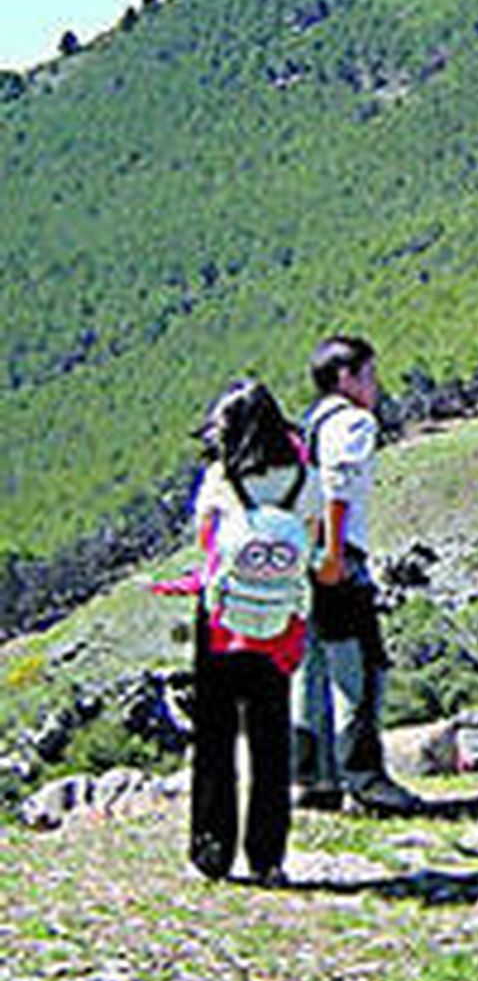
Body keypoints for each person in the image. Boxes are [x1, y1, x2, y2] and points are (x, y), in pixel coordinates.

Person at [189, 379, 320, 885]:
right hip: (280, 621)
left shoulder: (222, 478)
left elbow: (206, 539)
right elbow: (310, 542)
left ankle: (212, 848)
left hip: (223, 619)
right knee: (270, 736)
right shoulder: (301, 478)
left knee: (216, 734)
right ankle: (267, 855)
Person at [291, 335, 421, 815]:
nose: (376, 386)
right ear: (345, 377)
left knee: (312, 669)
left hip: (301, 558)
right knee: (361, 667)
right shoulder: (353, 423)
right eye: (369, 374)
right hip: (338, 556)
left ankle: (312, 777)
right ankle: (365, 780)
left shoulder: (309, 425)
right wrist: (333, 552)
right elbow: (339, 487)